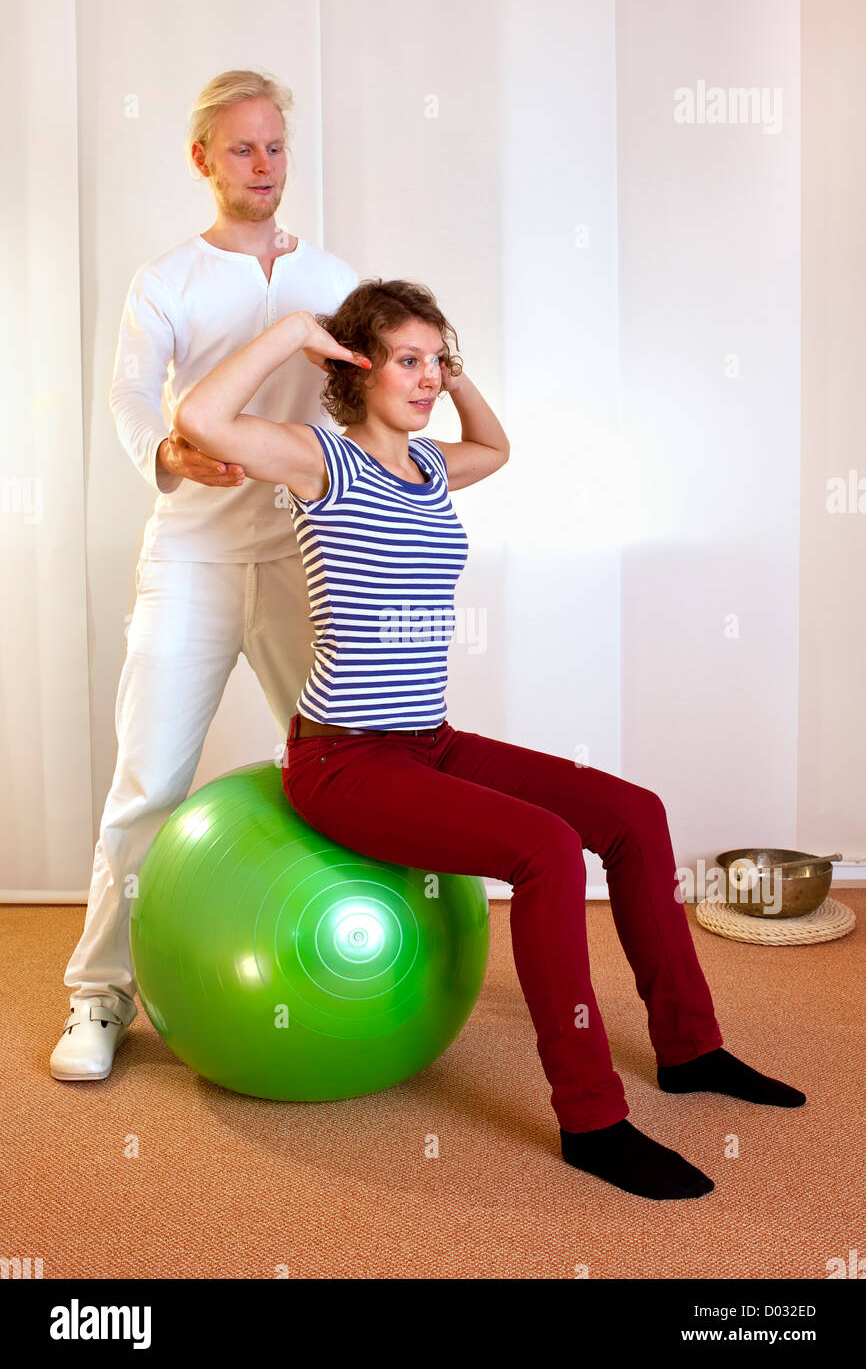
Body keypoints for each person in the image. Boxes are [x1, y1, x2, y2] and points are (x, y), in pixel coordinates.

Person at [172, 277, 807, 1202]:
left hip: (429, 739)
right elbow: (203, 413)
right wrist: (290, 333)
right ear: (358, 367)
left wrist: (457, 377)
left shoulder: (433, 468)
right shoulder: (321, 462)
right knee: (547, 850)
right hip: (342, 758)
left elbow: (496, 447)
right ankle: (592, 1120)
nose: (428, 379)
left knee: (633, 814)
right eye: (408, 361)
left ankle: (689, 1046)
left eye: (440, 359)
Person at [50, 69, 360, 1083]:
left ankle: (363, 957)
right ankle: (99, 999)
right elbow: (133, 395)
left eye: (273, 147)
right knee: (146, 784)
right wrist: (169, 454)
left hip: (298, 553)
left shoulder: (334, 280)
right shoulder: (166, 280)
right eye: (241, 149)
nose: (262, 165)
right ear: (203, 160)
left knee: (350, 768)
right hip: (188, 552)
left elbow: (366, 409)